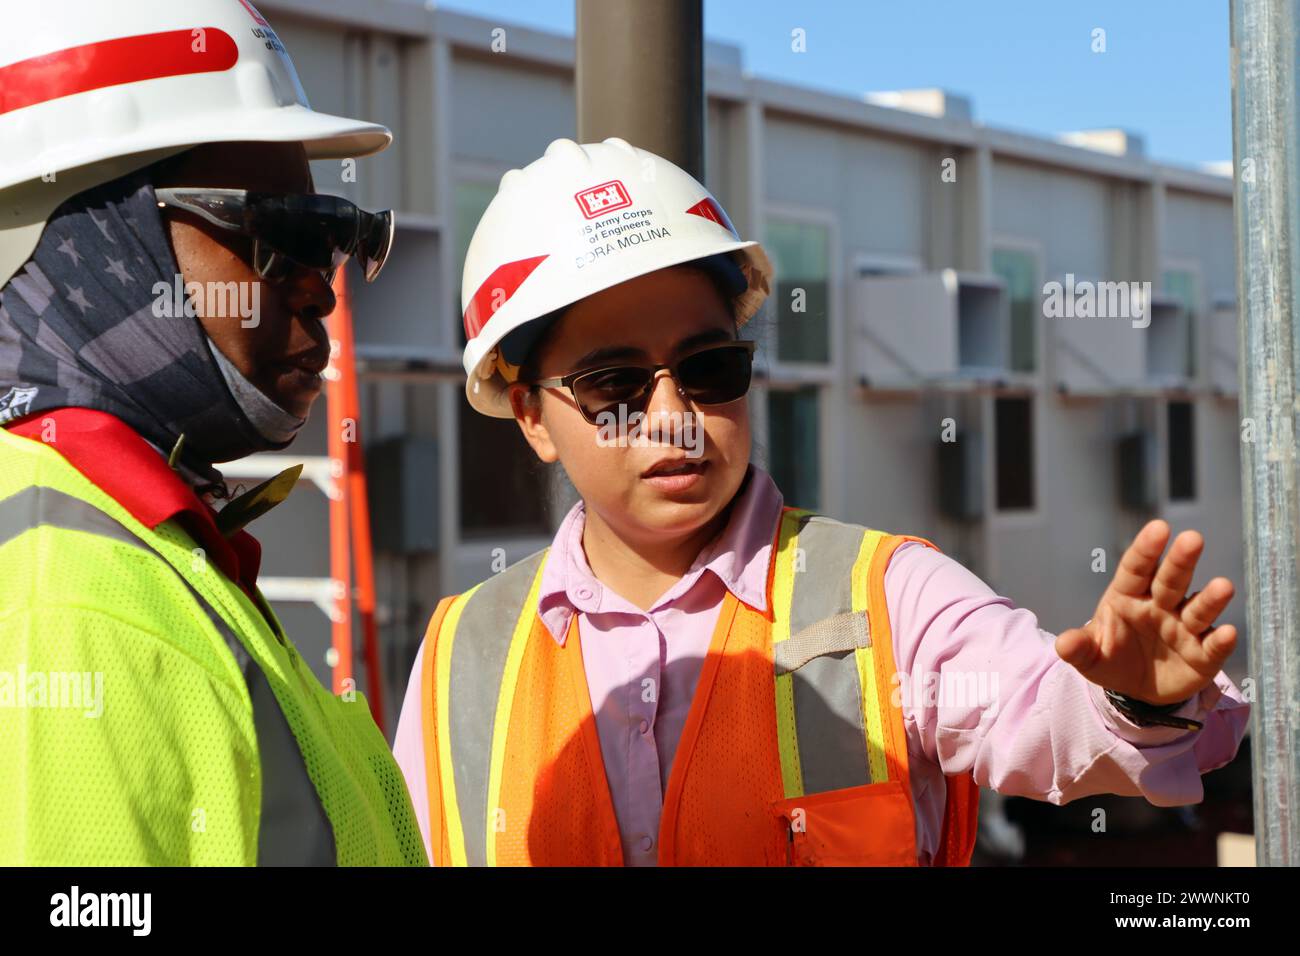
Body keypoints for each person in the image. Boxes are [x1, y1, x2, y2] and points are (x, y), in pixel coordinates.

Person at [393, 136, 1250, 867]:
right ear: (533, 415)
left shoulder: (892, 599)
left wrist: (1137, 703)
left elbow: (1039, 712)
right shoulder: (458, 657)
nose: (673, 418)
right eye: (615, 383)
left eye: (708, 369)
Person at [0, 0, 425, 866]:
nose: (322, 289)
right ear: (90, 237)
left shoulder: (148, 545)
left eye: (339, 239)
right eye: (285, 235)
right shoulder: (67, 600)